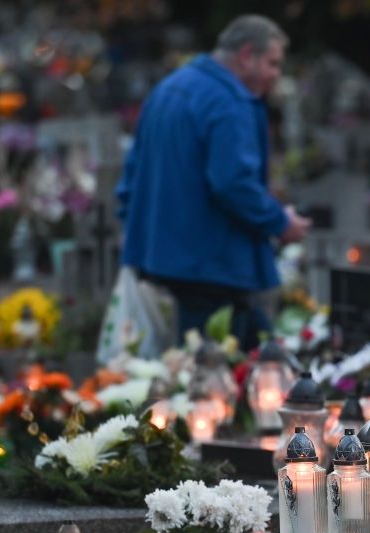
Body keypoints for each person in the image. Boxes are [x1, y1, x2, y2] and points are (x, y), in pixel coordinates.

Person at [116, 15, 311, 351]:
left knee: (257, 354)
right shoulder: (227, 100)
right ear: (246, 54)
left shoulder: (169, 88)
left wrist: (137, 233)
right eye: (272, 63)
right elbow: (233, 183)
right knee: (214, 371)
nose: (276, 74)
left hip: (168, 257)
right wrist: (280, 222)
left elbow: (132, 175)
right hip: (213, 263)